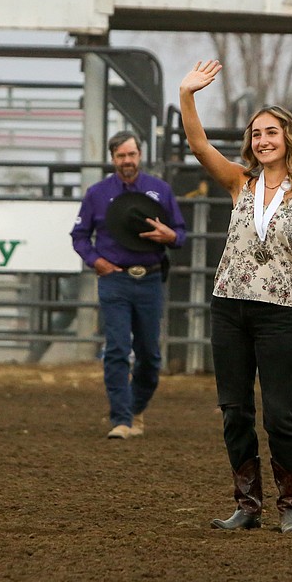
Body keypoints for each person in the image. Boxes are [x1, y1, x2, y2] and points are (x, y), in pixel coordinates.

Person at [179, 59, 292, 535]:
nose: (261, 141)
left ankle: (290, 505)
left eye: (269, 132)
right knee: (234, 410)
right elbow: (197, 144)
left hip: (279, 314)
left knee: (280, 415)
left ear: (288, 137)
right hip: (229, 307)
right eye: (255, 135)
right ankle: (247, 505)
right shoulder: (240, 183)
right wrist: (188, 95)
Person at [71, 131, 187, 440]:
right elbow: (80, 236)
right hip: (114, 279)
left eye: (132, 155)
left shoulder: (159, 190)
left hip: (149, 278)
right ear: (113, 159)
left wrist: (170, 237)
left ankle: (134, 408)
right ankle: (120, 419)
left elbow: (181, 233)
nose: (127, 161)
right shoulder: (97, 194)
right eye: (121, 156)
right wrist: (97, 261)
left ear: (140, 155)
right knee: (117, 349)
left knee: (149, 356)